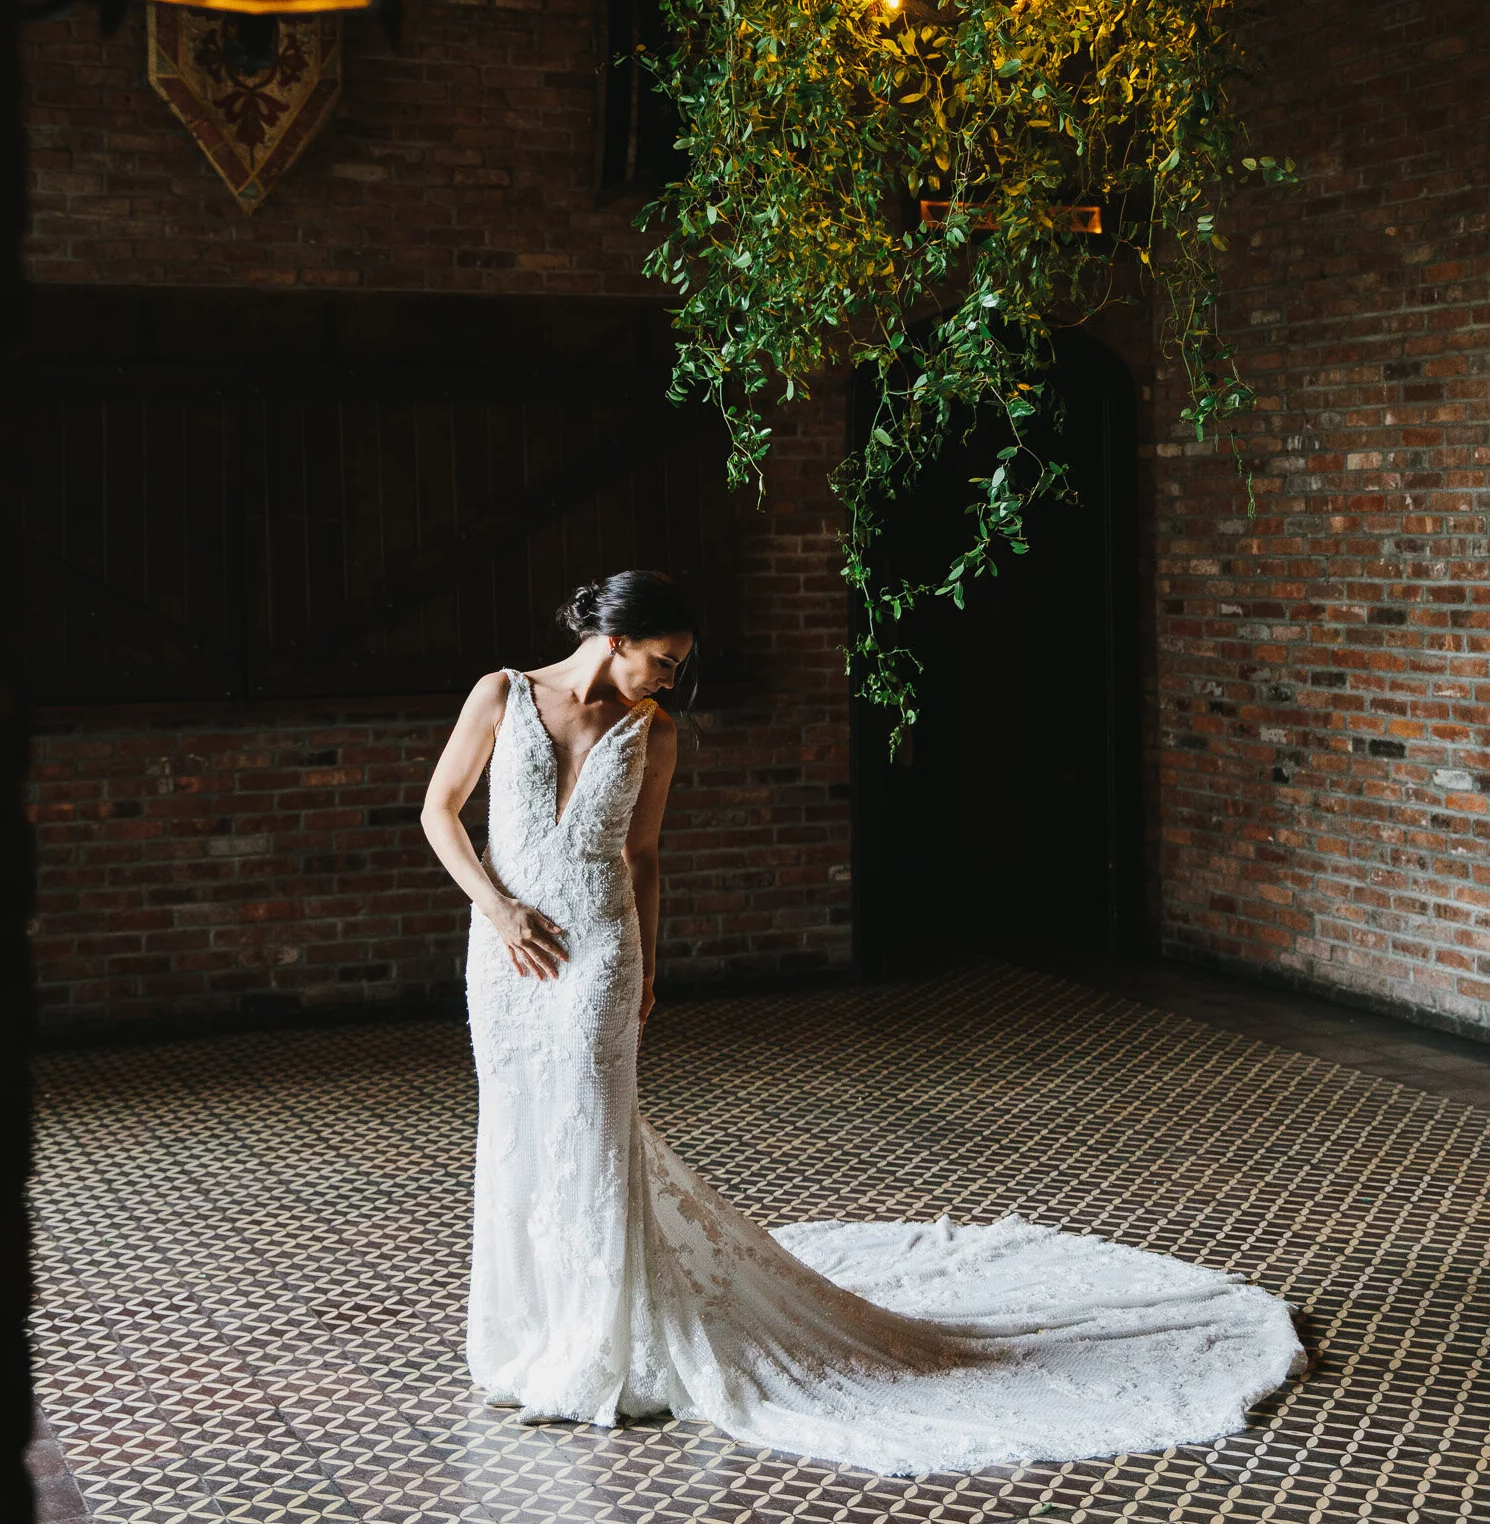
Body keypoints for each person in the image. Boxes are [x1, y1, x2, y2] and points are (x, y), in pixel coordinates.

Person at [421, 569, 1302, 1477]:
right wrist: (498, 909)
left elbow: (643, 854)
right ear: (616, 638)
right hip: (507, 953)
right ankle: (529, 1332)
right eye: (664, 660)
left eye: (678, 667)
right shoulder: (501, 694)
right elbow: (439, 813)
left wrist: (649, 963)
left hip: (602, 948)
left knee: (591, 1130)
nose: (671, 679)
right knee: (519, 1130)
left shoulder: (657, 731)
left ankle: (598, 1348)